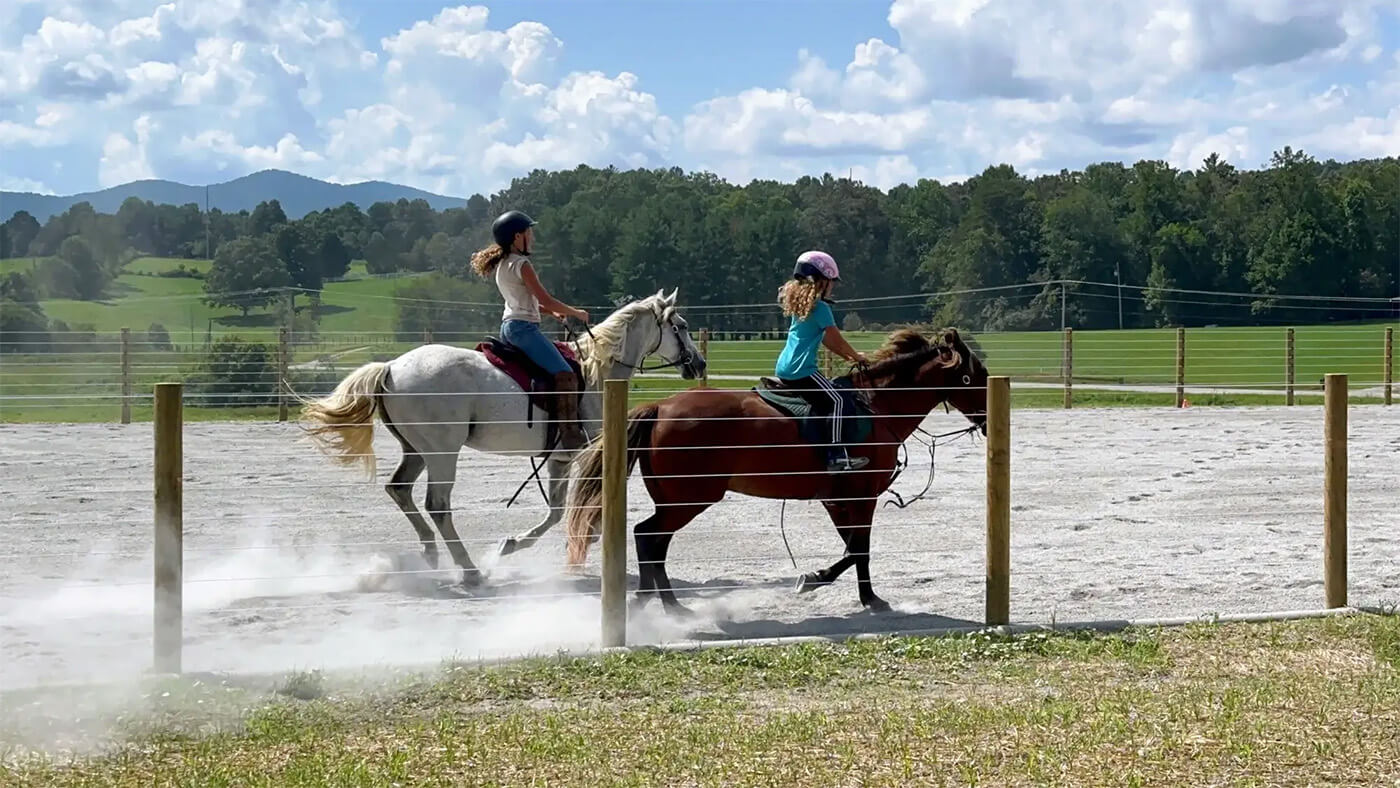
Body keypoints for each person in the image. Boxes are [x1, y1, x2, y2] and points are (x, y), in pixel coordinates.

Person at [471, 209, 590, 451]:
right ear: (517, 237)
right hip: (524, 330)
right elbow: (544, 299)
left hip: (510, 327)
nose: (532, 237)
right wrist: (576, 312)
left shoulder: (503, 264)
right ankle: (570, 435)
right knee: (565, 372)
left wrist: (552, 313)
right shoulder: (522, 264)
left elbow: (525, 301)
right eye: (529, 232)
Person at [773, 250, 870, 472]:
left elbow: (826, 341)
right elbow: (836, 337)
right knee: (839, 400)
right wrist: (857, 357)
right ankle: (836, 454)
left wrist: (847, 357)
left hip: (785, 367)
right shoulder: (821, 308)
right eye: (831, 282)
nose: (833, 286)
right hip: (803, 370)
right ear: (821, 281)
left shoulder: (803, 306)